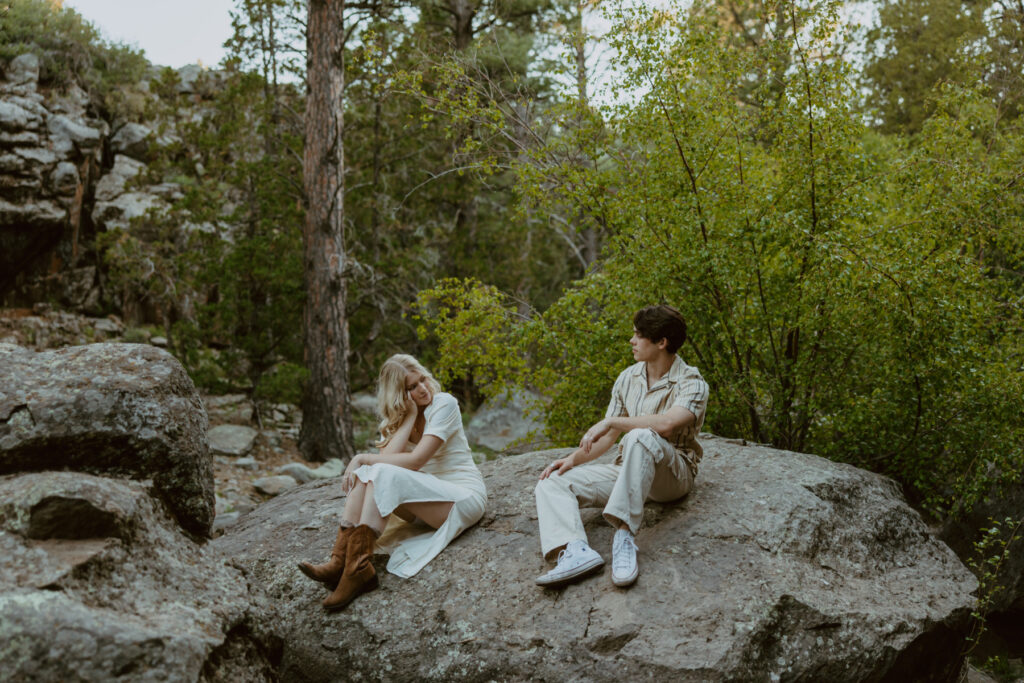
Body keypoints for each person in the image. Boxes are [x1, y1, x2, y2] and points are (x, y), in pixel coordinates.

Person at [533, 305, 708, 588]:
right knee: (552, 481)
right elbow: (607, 438)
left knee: (640, 436)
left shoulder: (693, 382)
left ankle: (625, 537)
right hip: (629, 472)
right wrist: (572, 460)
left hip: (671, 477)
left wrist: (612, 421)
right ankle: (575, 551)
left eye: (639, 335)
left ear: (661, 342)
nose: (632, 340)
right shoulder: (628, 377)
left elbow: (665, 424)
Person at [298, 354, 487, 611]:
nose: (422, 389)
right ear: (399, 394)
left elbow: (416, 460)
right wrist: (408, 418)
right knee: (369, 474)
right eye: (411, 387)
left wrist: (361, 457)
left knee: (375, 469)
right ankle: (341, 560)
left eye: (422, 380)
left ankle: (356, 570)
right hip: (425, 499)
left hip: (461, 498)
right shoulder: (402, 418)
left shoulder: (444, 404)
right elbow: (385, 462)